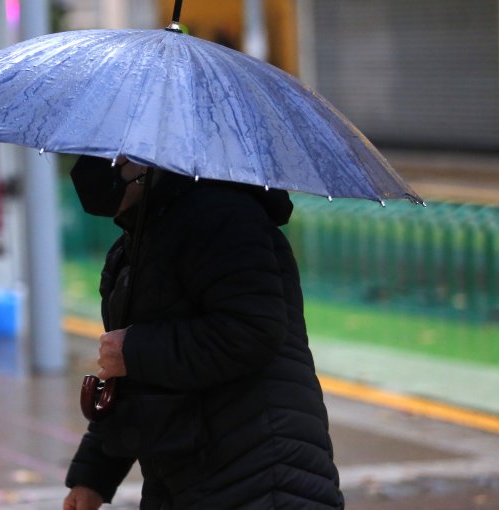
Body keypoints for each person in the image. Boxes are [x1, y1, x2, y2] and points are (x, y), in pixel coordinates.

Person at [63, 155, 344, 509]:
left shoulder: (223, 217)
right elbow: (136, 381)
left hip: (260, 473)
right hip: (191, 474)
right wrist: (94, 476)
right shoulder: (139, 240)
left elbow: (251, 331)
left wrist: (134, 351)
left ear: (149, 161)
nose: (97, 165)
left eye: (115, 155)